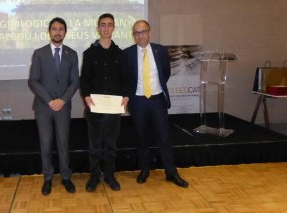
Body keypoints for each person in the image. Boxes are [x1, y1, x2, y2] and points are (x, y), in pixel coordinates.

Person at [124, 20, 189, 188]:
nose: (140, 35)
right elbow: (126, 79)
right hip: (138, 101)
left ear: (149, 32)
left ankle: (171, 173)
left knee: (164, 137)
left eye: (143, 31)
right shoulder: (127, 53)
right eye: (136, 33)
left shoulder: (160, 50)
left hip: (157, 100)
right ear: (134, 35)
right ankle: (144, 170)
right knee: (141, 137)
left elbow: (165, 73)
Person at [29, 17, 79, 195]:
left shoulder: (72, 54)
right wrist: (50, 100)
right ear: (49, 31)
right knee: (45, 143)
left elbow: (74, 82)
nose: (57, 32)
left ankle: (66, 176)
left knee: (63, 142)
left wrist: (62, 100)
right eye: (54, 29)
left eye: (61, 29)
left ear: (65, 32)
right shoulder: (39, 53)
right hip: (44, 107)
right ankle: (48, 178)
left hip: (63, 107)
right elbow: (34, 81)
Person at [79, 13, 129, 192]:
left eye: (109, 25)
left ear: (113, 28)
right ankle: (94, 177)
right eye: (103, 25)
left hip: (114, 109)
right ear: (98, 27)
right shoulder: (89, 53)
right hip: (95, 109)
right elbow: (84, 79)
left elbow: (125, 79)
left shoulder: (120, 54)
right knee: (95, 146)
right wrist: (86, 96)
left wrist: (126, 96)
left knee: (111, 145)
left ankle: (109, 176)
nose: (106, 28)